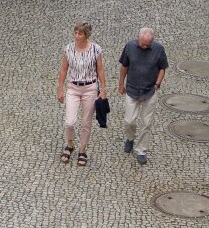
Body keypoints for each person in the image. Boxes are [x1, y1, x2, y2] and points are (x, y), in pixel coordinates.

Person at [56, 21, 107, 166]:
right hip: (73, 87)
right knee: (70, 122)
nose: (77, 36)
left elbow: (100, 70)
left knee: (86, 123)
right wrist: (60, 88)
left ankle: (83, 150)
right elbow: (64, 69)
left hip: (90, 88)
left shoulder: (95, 49)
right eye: (75, 33)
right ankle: (70, 144)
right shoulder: (69, 49)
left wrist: (103, 89)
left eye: (80, 34)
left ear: (86, 35)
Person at [118, 26, 169, 164]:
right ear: (138, 38)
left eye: (148, 44)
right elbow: (124, 66)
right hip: (132, 89)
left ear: (152, 41)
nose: (145, 46)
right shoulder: (129, 46)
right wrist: (121, 84)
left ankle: (141, 150)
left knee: (147, 123)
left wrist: (157, 84)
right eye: (142, 43)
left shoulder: (158, 49)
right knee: (129, 121)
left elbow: (162, 68)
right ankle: (130, 138)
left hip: (149, 91)